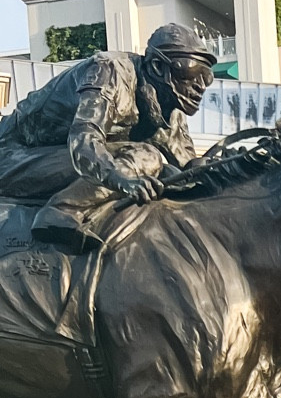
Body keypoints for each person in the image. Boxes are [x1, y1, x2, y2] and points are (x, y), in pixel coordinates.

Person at [0, 21, 215, 249]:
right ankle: (60, 211)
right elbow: (83, 141)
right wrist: (121, 180)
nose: (200, 85)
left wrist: (226, 166)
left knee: (162, 168)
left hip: (57, 160)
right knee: (147, 156)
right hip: (14, 157)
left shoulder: (170, 109)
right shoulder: (110, 70)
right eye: (191, 71)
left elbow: (189, 170)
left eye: (207, 77)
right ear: (157, 66)